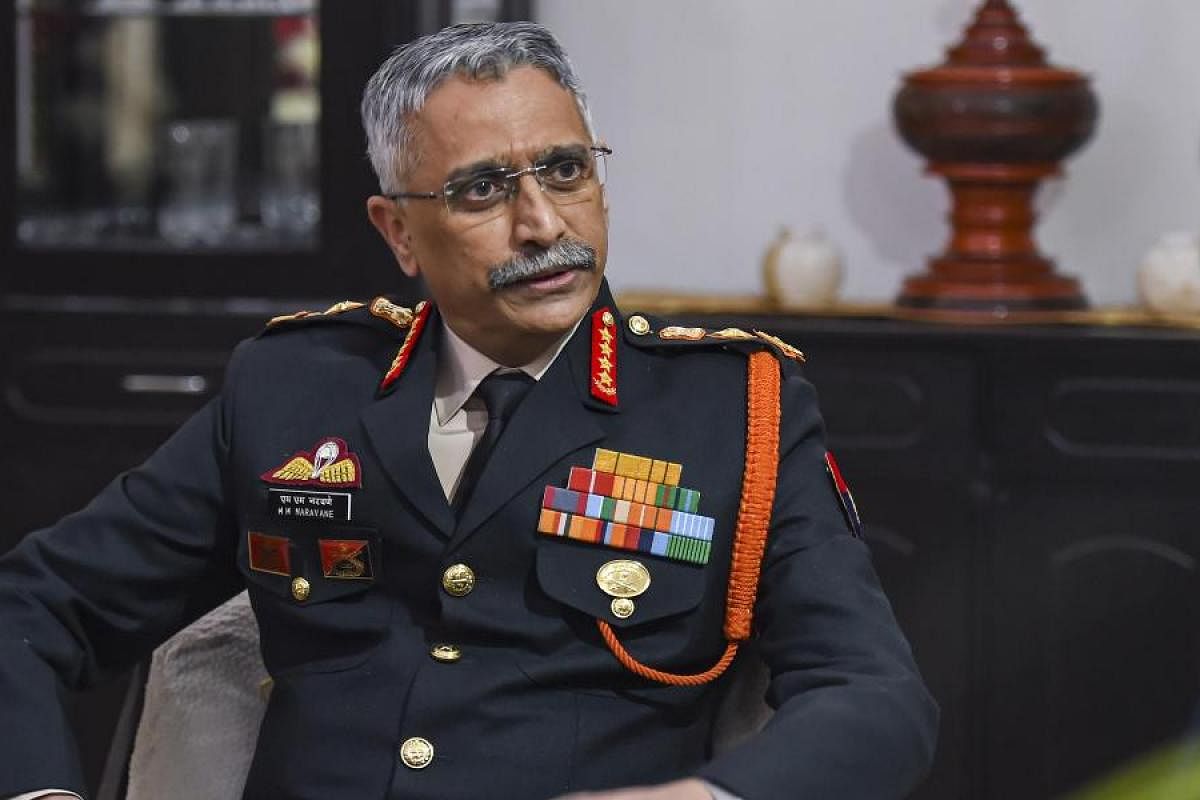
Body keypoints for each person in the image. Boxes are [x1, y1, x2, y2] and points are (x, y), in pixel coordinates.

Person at [0, 21, 937, 800]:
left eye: (565, 171)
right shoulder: (294, 387)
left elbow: (876, 695)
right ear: (398, 232)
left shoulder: (733, 412)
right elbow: (33, 608)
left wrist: (705, 799)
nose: (543, 225)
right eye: (483, 189)